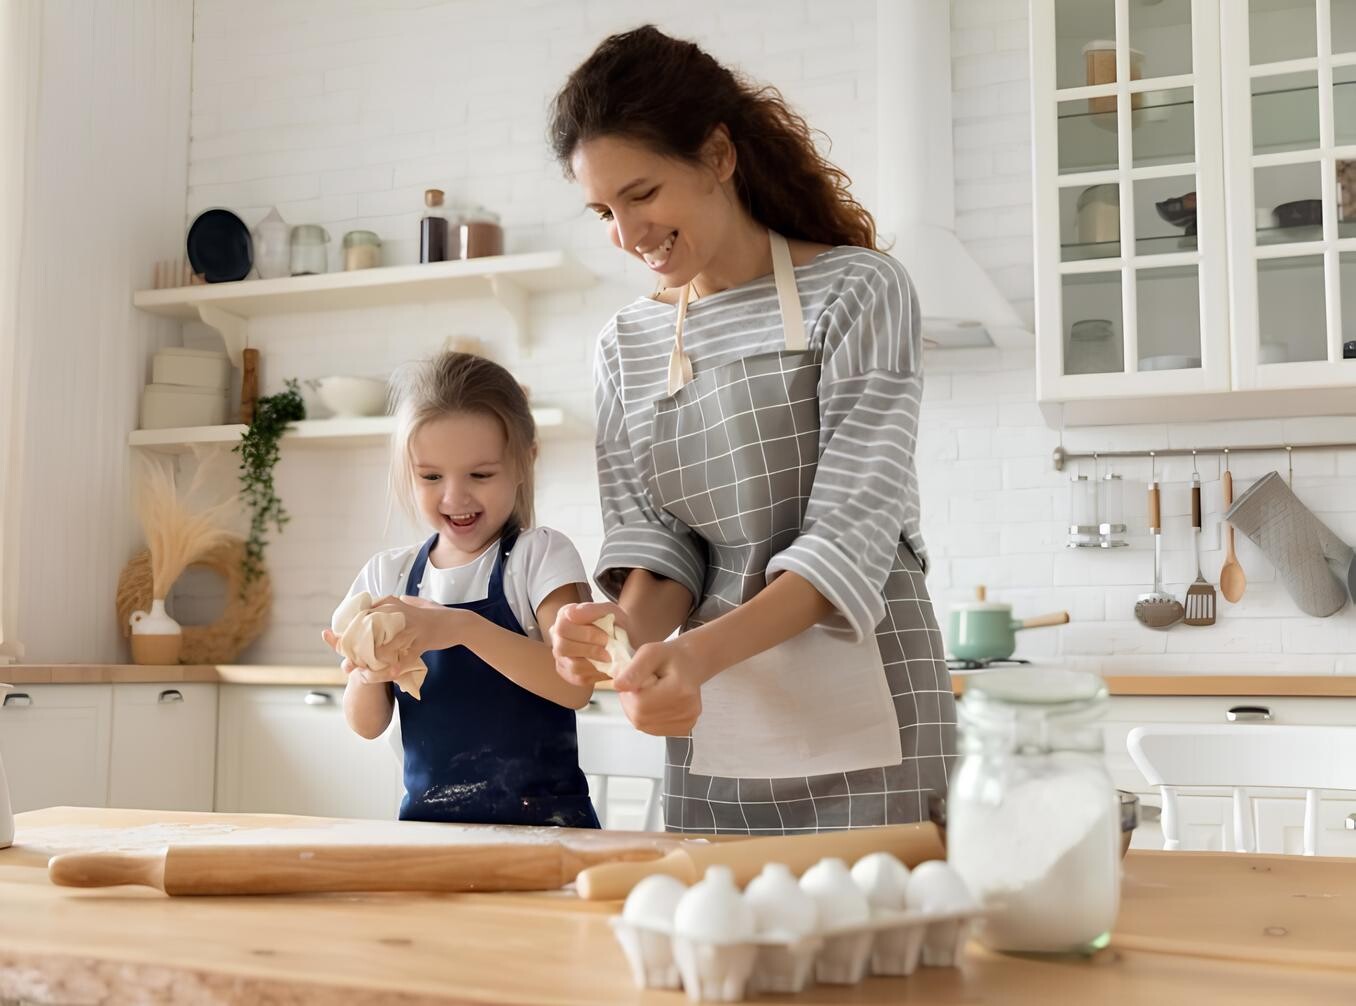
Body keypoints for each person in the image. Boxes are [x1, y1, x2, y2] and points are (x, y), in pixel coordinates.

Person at [546, 25, 956, 834]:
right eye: (603, 210)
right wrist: (616, 638)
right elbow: (662, 550)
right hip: (717, 709)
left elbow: (850, 535)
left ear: (718, 156)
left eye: (641, 194)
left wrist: (694, 654)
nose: (626, 235)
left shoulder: (858, 290)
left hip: (872, 701)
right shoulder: (625, 345)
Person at [323, 351, 599, 828]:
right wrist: (369, 672)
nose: (454, 496)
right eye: (431, 476)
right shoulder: (388, 575)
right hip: (431, 832)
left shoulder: (539, 558)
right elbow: (366, 725)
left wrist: (460, 628)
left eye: (480, 474)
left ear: (524, 462)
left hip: (548, 832)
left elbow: (574, 685)